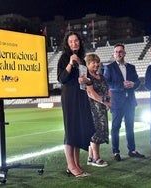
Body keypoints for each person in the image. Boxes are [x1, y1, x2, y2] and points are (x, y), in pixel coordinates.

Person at [57, 31, 95, 177]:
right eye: (71, 41)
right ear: (67, 44)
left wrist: (85, 80)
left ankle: (77, 165)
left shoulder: (82, 60)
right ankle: (71, 166)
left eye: (76, 41)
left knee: (79, 130)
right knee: (71, 131)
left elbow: (89, 80)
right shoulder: (64, 58)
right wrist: (70, 63)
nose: (74, 43)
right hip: (70, 97)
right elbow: (62, 79)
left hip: (81, 96)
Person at [104, 43, 145, 161]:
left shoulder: (131, 67)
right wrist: (122, 85)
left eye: (120, 51)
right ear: (114, 54)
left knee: (130, 127)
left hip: (130, 102)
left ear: (124, 53)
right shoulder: (109, 67)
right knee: (116, 127)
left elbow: (137, 82)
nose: (118, 53)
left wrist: (133, 84)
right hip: (117, 102)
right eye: (116, 51)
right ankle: (115, 151)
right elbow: (108, 84)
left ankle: (132, 150)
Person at [84, 53, 110, 167]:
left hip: (102, 108)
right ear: (88, 64)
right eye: (93, 62)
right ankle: (96, 158)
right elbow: (90, 93)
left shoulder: (101, 76)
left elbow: (107, 89)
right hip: (93, 108)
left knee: (99, 131)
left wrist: (108, 101)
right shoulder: (87, 77)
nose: (96, 64)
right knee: (96, 132)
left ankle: (90, 157)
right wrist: (104, 101)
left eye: (97, 62)